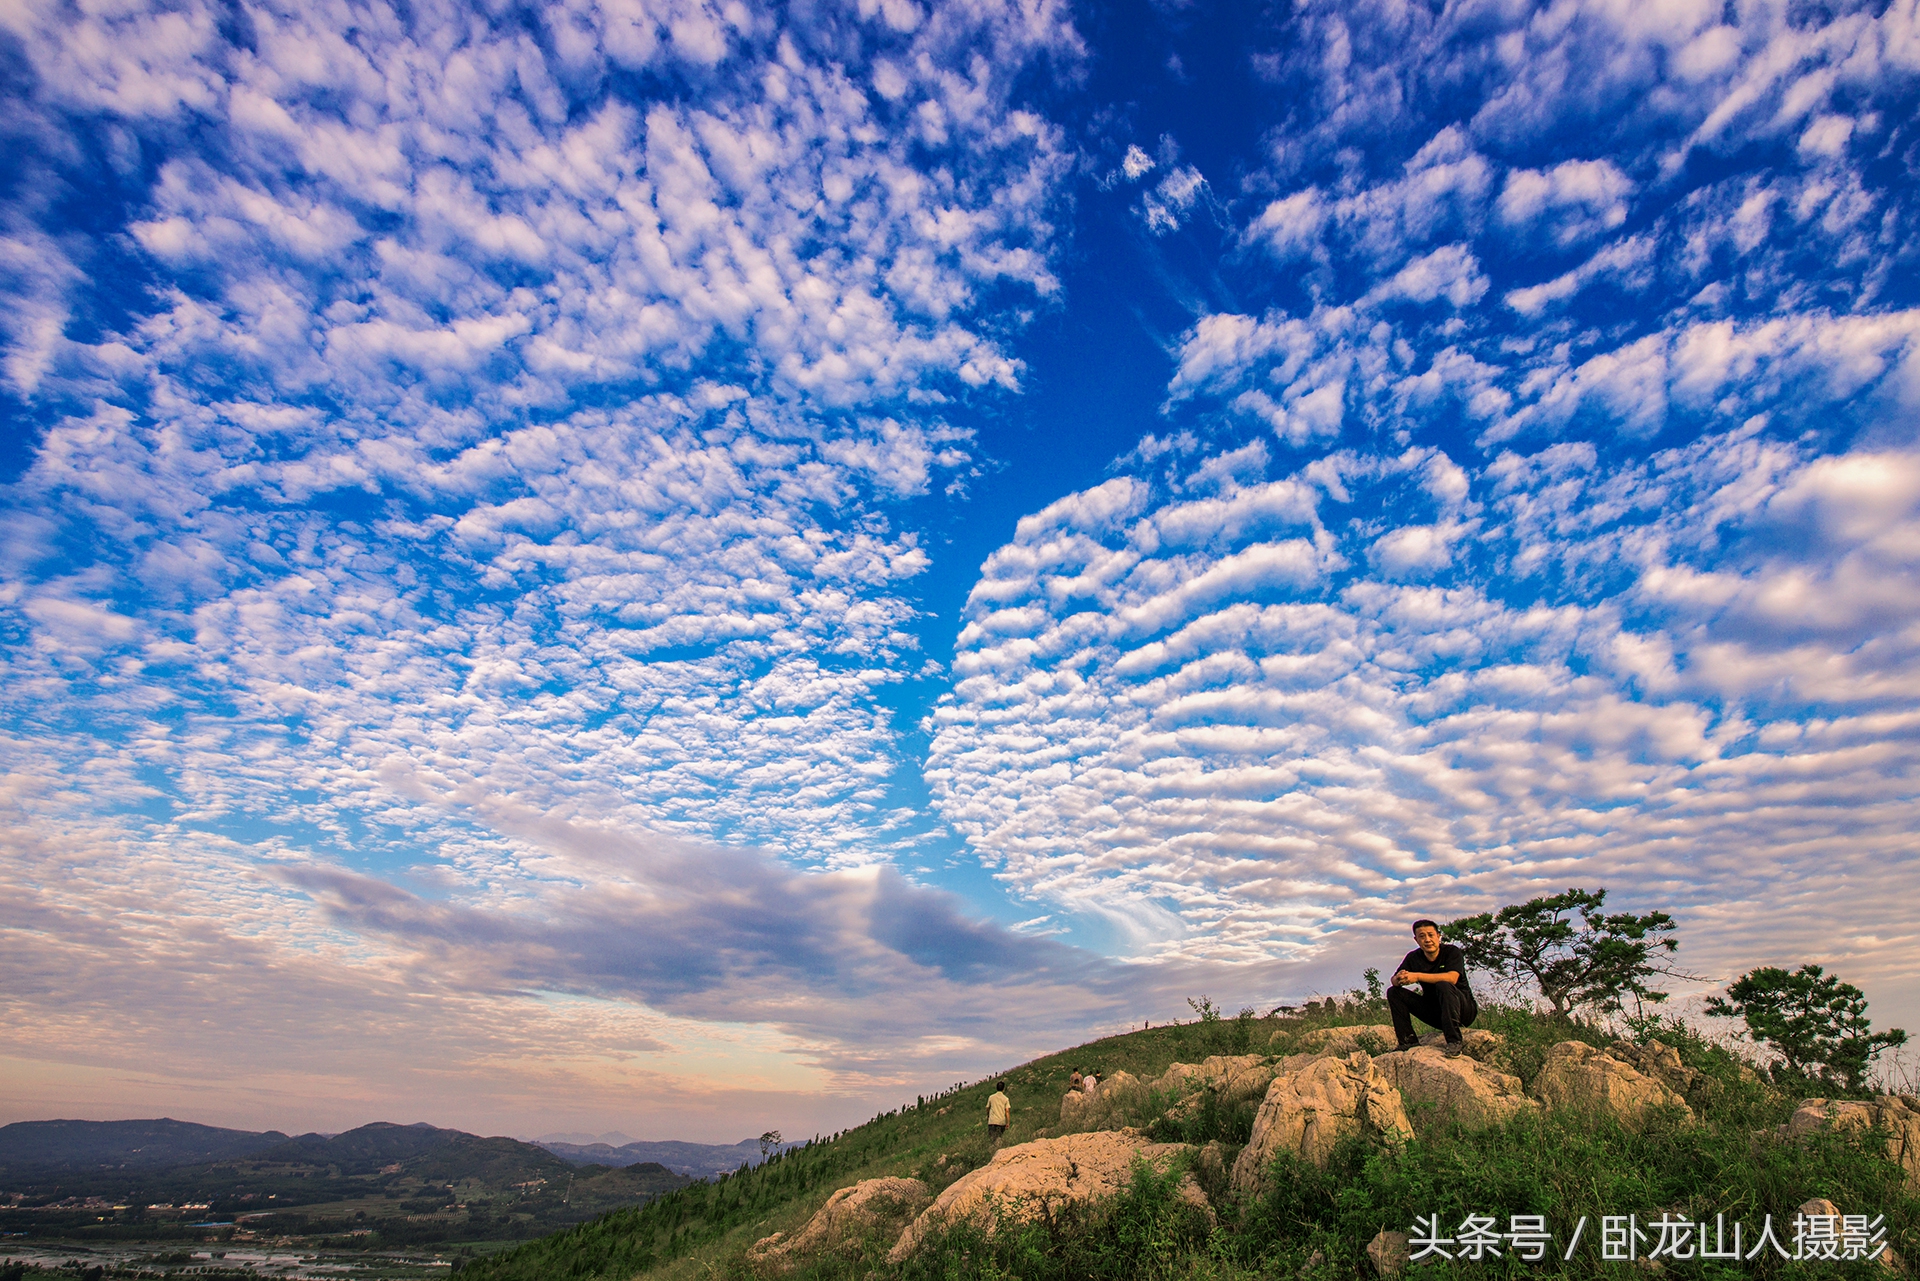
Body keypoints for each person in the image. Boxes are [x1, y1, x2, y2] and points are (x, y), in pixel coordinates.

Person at [1386, 918, 1477, 1055]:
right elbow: (1394, 980)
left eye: (1431, 935)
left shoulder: (1451, 952)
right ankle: (1407, 1042)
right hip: (1436, 1013)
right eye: (1422, 936)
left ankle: (1454, 1042)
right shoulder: (1413, 957)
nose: (1427, 940)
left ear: (1438, 936)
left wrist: (1416, 976)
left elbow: (1452, 978)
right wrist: (1399, 979)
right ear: (1416, 940)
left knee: (1443, 985)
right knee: (1393, 992)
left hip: (1463, 1011)